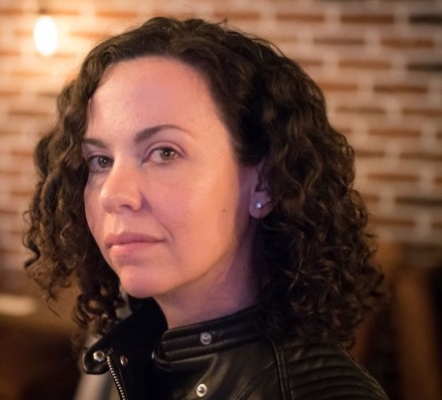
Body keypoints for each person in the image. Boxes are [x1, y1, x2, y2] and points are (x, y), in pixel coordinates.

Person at [24, 16, 388, 400]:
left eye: (164, 153)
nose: (112, 194)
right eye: (100, 161)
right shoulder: (142, 355)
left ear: (264, 183)